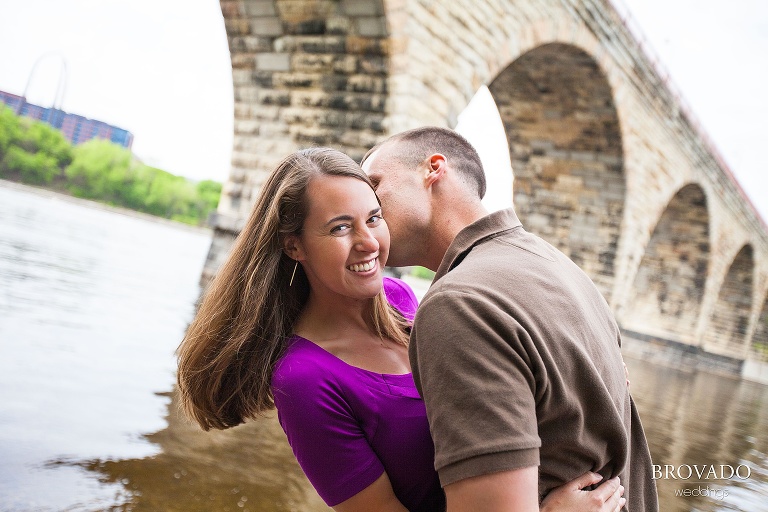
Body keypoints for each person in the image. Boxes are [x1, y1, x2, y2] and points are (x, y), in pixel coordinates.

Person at [176, 147, 627, 511]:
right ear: (294, 245)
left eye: (373, 218)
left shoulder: (405, 302)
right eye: (340, 228)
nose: (369, 241)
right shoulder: (305, 379)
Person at [361, 127, 658, 512]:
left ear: (433, 169)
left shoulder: (458, 303)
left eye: (375, 185)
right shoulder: (563, 269)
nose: (367, 209)